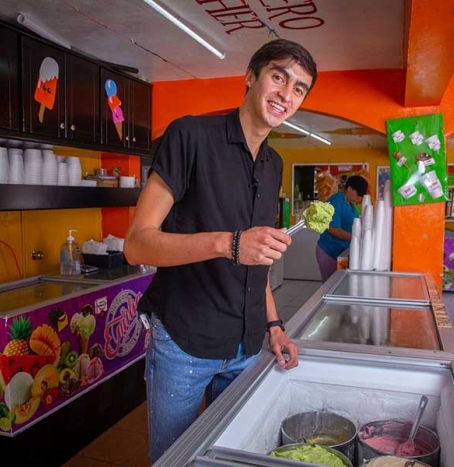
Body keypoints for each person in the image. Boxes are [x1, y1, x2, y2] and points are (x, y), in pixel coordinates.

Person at [124, 39, 317, 463]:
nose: (287, 94)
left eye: (300, 88)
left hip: (247, 345)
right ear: (251, 77)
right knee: (175, 458)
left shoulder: (275, 164)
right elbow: (136, 243)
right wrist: (228, 243)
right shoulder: (189, 135)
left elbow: (258, 263)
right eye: (279, 77)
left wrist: (274, 325)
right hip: (184, 343)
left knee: (232, 457)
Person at [315, 175, 368, 282]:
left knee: (341, 284)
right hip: (329, 253)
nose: (359, 199)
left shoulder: (350, 204)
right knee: (331, 286)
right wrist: (355, 238)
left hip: (342, 253)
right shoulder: (336, 202)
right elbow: (333, 229)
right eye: (358, 195)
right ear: (349, 189)